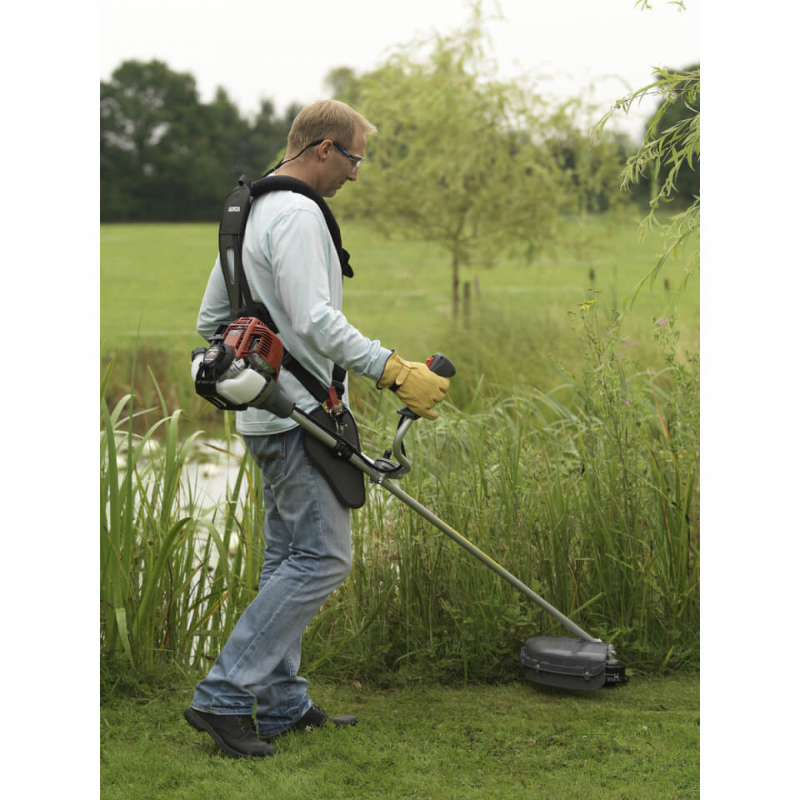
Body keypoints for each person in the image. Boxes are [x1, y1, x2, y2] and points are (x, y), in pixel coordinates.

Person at [184, 99, 451, 759]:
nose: (355, 174)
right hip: (301, 413)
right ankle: (222, 697)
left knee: (287, 558)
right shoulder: (300, 214)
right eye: (353, 158)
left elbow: (212, 319)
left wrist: (256, 366)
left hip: (265, 414)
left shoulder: (249, 209)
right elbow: (316, 321)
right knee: (323, 558)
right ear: (325, 148)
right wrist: (392, 369)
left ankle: (281, 703)